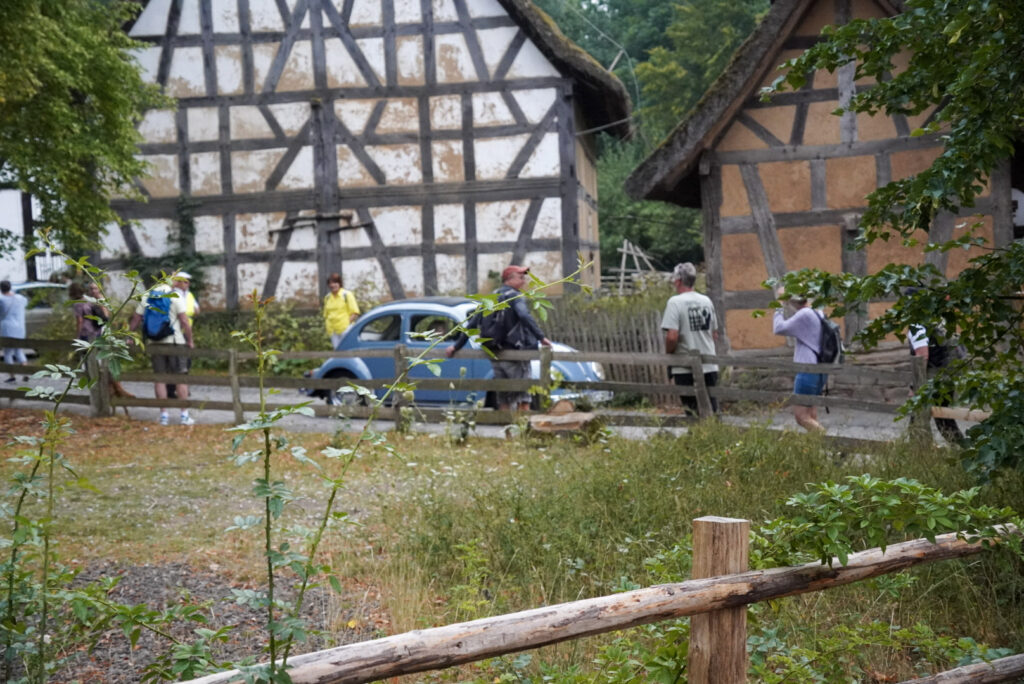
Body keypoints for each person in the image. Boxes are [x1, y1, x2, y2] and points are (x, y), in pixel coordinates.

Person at [446, 264, 551, 411]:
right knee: (523, 395)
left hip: (494, 353)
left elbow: (473, 323)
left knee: (504, 396)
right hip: (515, 355)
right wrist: (541, 337)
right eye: (521, 277)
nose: (524, 281)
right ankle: (522, 433)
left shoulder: (490, 297)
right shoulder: (515, 296)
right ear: (509, 279)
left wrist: (456, 346)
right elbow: (523, 315)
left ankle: (507, 432)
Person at [129, 277, 195, 426]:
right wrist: (190, 340)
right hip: (174, 342)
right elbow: (184, 320)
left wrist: (129, 335)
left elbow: (136, 318)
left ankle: (164, 415)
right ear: (168, 280)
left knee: (160, 379)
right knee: (180, 377)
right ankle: (184, 415)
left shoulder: (147, 295)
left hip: (154, 343)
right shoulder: (173, 295)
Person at [661, 263, 719, 415]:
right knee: (711, 408)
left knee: (692, 411)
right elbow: (714, 334)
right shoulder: (706, 301)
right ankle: (713, 436)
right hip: (709, 364)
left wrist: (669, 355)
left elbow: (672, 336)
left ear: (678, 281)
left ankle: (697, 437)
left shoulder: (675, 302)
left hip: (684, 366)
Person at [772, 287, 826, 432]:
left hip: (807, 371)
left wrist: (780, 303)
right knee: (811, 414)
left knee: (801, 416)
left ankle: (832, 442)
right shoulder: (817, 312)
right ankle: (818, 448)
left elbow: (778, 328)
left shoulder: (804, 314)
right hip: (820, 369)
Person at [908, 321, 966, 446]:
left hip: (930, 383)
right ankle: (965, 451)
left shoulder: (917, 326)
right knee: (945, 422)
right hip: (947, 380)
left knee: (917, 423)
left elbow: (922, 356)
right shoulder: (939, 322)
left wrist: (915, 387)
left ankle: (918, 454)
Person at [167, 272, 198, 399]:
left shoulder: (189, 295)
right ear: (177, 282)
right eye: (183, 281)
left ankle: (183, 388)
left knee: (186, 362)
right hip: (175, 332)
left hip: (186, 331)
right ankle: (172, 389)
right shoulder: (173, 294)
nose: (186, 284)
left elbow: (196, 310)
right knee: (174, 363)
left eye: (187, 281)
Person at [0, 281, 28, 382]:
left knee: (7, 353)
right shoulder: (20, 298)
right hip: (20, 328)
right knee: (18, 351)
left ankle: (12, 375)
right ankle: (26, 372)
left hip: (7, 328)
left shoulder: (1, 300)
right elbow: (25, 304)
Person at [323, 273, 360, 349]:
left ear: (339, 283)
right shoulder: (327, 297)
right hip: (333, 330)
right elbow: (326, 314)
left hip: (345, 329)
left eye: (335, 282)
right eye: (330, 283)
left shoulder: (347, 295)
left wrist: (346, 325)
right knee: (337, 352)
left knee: (347, 351)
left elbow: (355, 312)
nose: (333, 285)